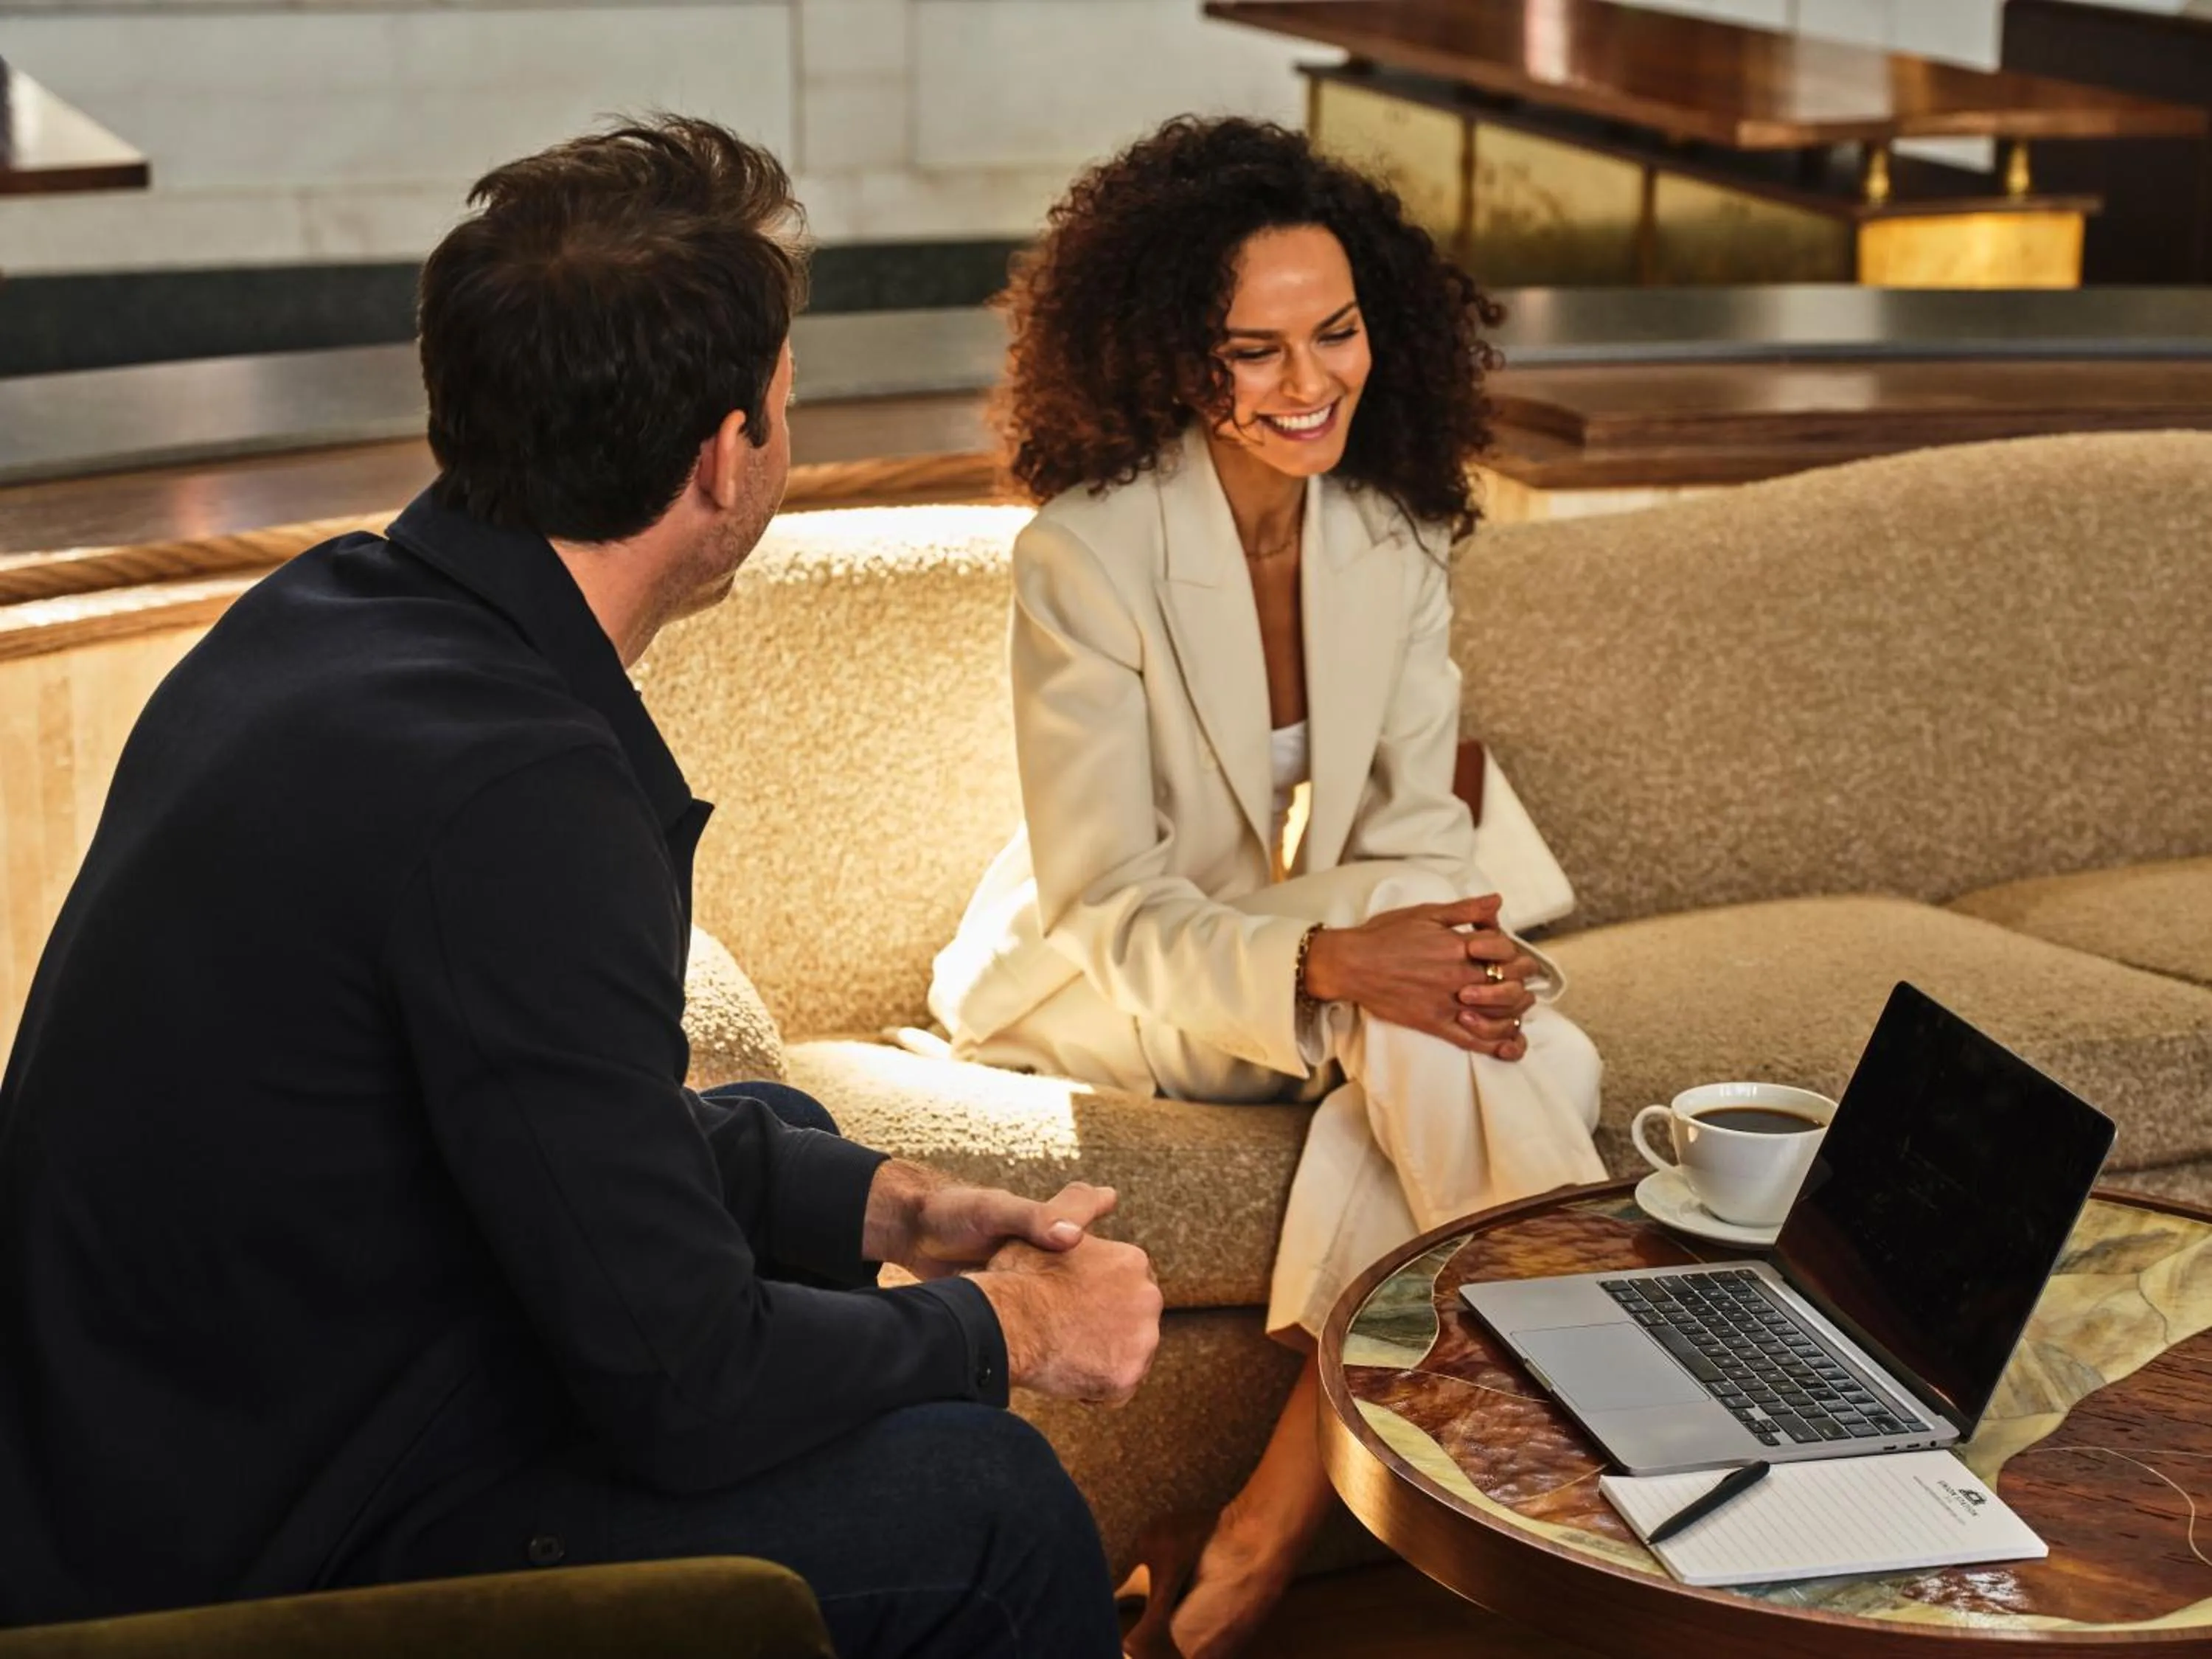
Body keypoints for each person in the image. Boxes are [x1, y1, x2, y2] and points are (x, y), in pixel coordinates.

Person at [0, 118, 1161, 1658]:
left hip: (175, 1431)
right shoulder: (520, 799)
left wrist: (898, 1206)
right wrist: (1010, 1325)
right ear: (726, 454)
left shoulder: (321, 611)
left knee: (789, 1146)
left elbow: (513, 1119)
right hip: (255, 1550)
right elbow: (686, 1387)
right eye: (789, 394)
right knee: (990, 1508)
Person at [928, 118, 1608, 1658]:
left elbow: (1417, 836)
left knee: (1478, 1039)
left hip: (1308, 956)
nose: (1311, 382)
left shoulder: (1392, 530)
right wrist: (1336, 966)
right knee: (1529, 1056)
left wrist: (1432, 952)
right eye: (1255, 350)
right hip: (1110, 975)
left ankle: (1258, 1535)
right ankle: (1608, 1376)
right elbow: (1110, 902)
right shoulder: (1087, 558)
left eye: (1337, 332)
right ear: (1174, 356)